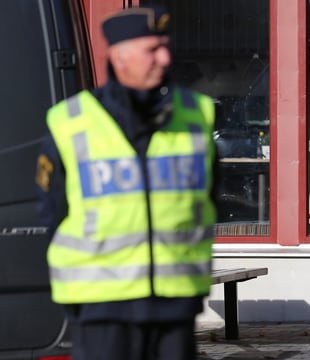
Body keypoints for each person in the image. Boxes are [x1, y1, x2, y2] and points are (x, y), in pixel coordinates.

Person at [34, 6, 216, 360]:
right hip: (102, 310)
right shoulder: (71, 123)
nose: (164, 58)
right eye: (152, 49)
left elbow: (206, 198)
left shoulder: (196, 115)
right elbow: (52, 213)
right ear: (119, 56)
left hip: (174, 307)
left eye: (166, 47)